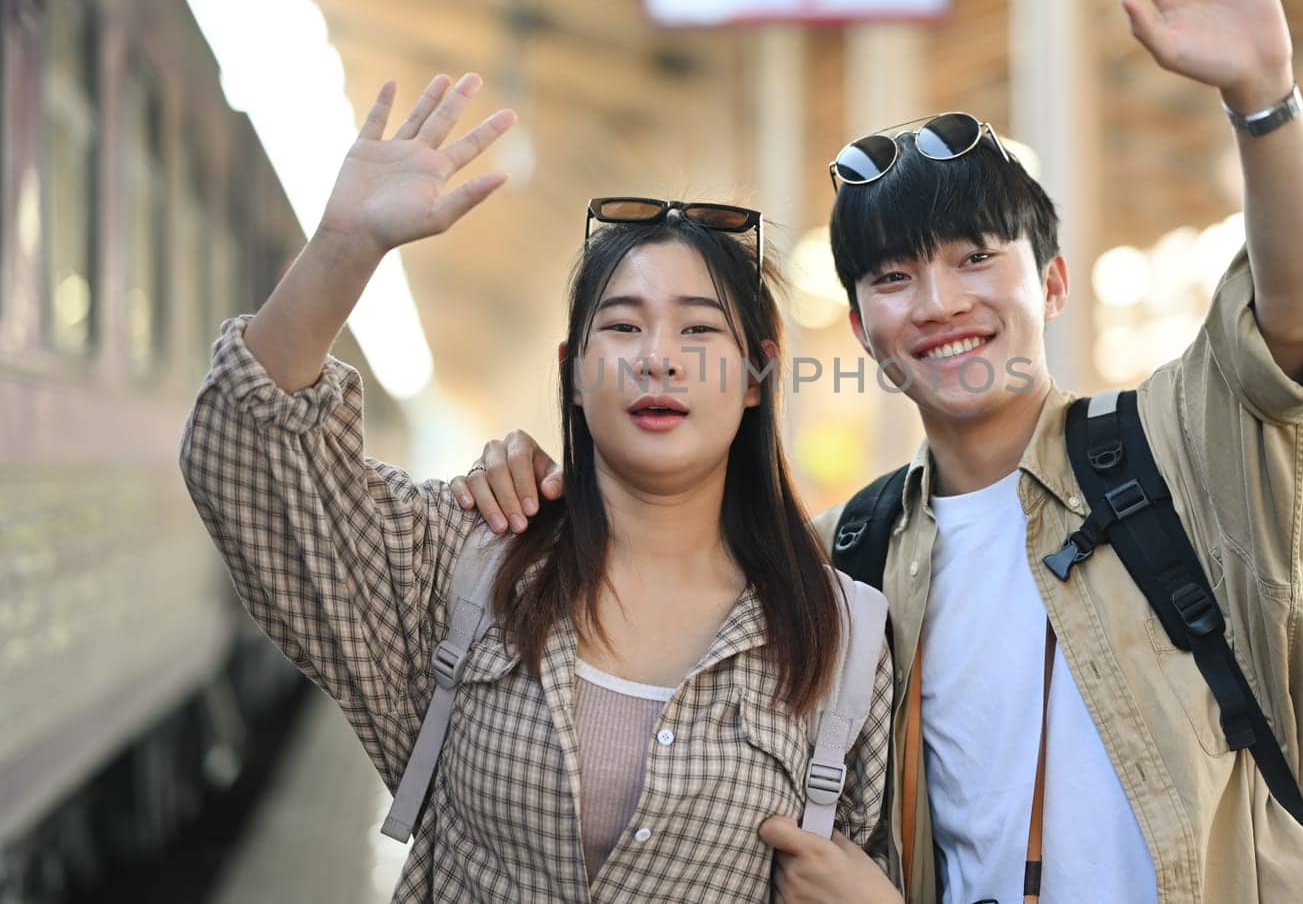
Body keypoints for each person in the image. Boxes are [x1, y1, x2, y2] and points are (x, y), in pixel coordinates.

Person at [454, 0, 1303, 904]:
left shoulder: (1177, 458)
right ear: (860, 330)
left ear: (1053, 282)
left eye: (977, 258)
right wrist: (540, 480)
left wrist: (1263, 99)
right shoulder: (850, 558)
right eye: (892, 276)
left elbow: (1294, 321)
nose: (937, 301)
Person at [179, 74, 893, 903]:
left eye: (699, 329)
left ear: (756, 378)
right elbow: (246, 459)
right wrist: (343, 248)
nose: (658, 356)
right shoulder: (465, 560)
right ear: (573, 373)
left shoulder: (838, 641)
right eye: (622, 326)